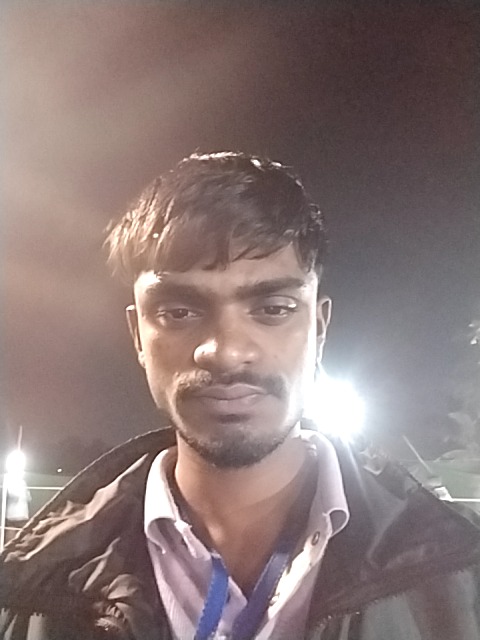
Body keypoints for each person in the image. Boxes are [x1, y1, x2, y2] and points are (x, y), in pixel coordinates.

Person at [1, 152, 480, 640]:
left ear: (318, 329)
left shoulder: (462, 578)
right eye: (178, 312)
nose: (226, 352)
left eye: (273, 308)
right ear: (137, 336)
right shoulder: (29, 593)